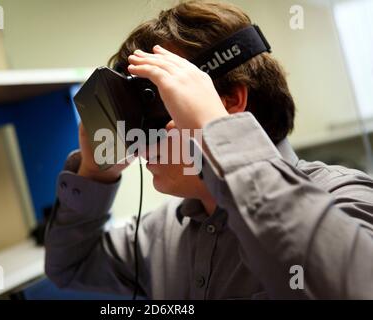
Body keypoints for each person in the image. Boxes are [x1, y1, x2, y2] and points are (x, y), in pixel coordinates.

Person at [45, 1, 373, 299]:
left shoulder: (345, 199)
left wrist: (217, 132)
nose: (138, 138)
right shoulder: (160, 235)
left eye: (158, 99)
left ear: (229, 102)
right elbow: (69, 266)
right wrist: (93, 172)